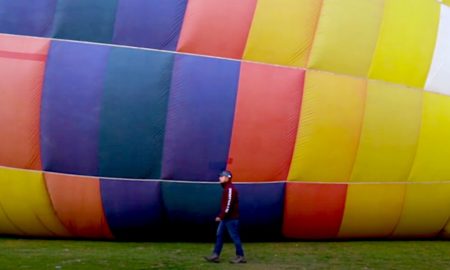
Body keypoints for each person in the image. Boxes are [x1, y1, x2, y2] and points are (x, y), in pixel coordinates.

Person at [204, 170, 246, 264]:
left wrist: (221, 216)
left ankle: (241, 256)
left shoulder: (230, 189)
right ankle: (215, 255)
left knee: (234, 237)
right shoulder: (227, 188)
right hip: (226, 218)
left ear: (228, 178)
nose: (220, 178)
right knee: (219, 235)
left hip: (231, 219)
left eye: (222, 176)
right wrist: (223, 216)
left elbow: (228, 205)